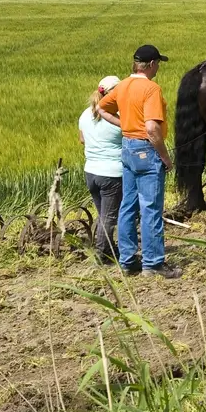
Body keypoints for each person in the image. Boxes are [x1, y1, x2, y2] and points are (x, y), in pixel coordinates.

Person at [98, 45, 181, 279]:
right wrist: (165, 157)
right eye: (158, 64)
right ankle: (153, 263)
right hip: (147, 150)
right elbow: (153, 128)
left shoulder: (123, 85)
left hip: (127, 148)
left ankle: (127, 260)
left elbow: (101, 108)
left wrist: (124, 125)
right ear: (152, 64)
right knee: (150, 208)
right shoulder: (151, 88)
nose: (158, 68)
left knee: (127, 207)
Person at [78, 75, 123, 263]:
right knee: (109, 217)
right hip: (112, 174)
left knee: (103, 214)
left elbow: (82, 140)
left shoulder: (85, 114)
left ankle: (110, 249)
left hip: (91, 172)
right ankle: (103, 254)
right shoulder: (117, 117)